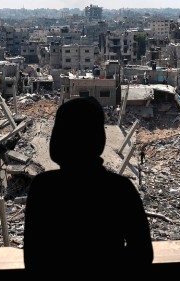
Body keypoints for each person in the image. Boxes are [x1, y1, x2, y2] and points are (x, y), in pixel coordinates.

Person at [24, 97, 153, 276]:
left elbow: (33, 258)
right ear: (100, 138)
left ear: (57, 140)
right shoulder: (120, 189)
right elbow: (142, 254)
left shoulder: (43, 188)